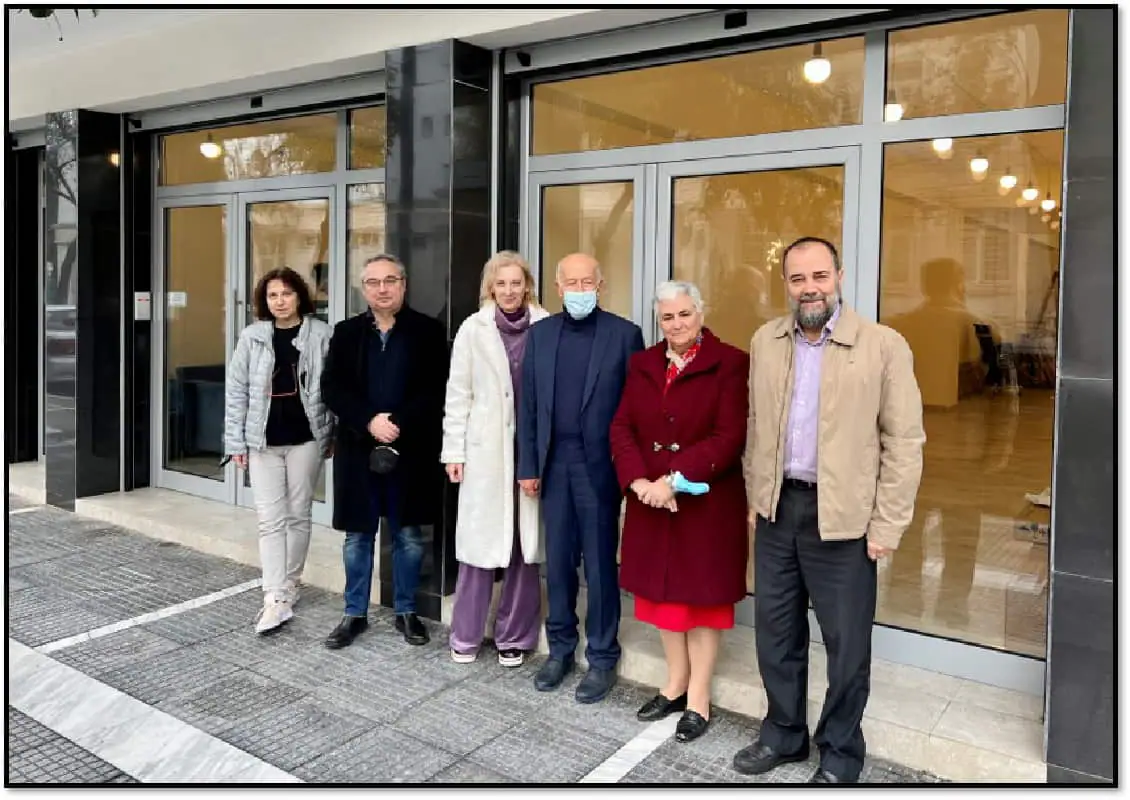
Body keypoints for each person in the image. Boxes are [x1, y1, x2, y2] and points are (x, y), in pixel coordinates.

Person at [732, 237, 925, 784]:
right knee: (776, 633)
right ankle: (783, 734)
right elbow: (756, 424)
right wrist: (757, 493)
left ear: (839, 276)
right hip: (778, 511)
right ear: (785, 285)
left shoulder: (883, 345)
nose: (809, 288)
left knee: (846, 645)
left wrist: (886, 524)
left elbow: (904, 442)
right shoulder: (767, 340)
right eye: (797, 279)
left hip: (844, 518)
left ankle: (840, 751)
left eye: (819, 276)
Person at [609, 280, 749, 743]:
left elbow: (728, 437)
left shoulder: (731, 363)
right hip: (651, 500)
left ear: (701, 314)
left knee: (702, 602)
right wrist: (639, 483)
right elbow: (622, 426)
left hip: (706, 505)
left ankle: (698, 698)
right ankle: (674, 684)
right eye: (667, 317)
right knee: (664, 599)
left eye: (685, 314)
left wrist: (672, 480)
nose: (677, 324)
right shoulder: (643, 363)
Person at [517, 252, 645, 704]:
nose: (578, 290)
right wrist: (528, 466)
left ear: (600, 285)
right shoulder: (540, 335)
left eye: (586, 281)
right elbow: (529, 406)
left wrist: (631, 470)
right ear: (557, 288)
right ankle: (561, 649)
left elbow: (636, 409)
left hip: (600, 467)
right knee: (558, 562)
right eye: (570, 283)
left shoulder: (625, 335)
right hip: (554, 464)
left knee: (600, 563)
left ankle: (603, 656)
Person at [320, 254, 449, 649]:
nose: (382, 289)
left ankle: (406, 611)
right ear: (363, 289)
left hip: (410, 450)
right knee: (358, 537)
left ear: (403, 285)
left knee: (409, 536)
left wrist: (397, 423)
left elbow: (436, 388)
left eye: (390, 280)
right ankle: (354, 613)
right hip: (358, 450)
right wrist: (368, 420)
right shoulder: (346, 333)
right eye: (373, 282)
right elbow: (332, 387)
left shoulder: (428, 331)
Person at [441, 251, 550, 667]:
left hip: (531, 449)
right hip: (486, 451)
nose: (509, 291)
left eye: (516, 283)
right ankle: (465, 635)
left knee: (524, 545)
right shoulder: (473, 329)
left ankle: (514, 637)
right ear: (490, 287)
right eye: (501, 283)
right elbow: (458, 394)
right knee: (478, 545)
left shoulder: (546, 325)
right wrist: (454, 451)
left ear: (527, 286)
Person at [223, 267, 335, 634]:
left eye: (286, 294)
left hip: (306, 439)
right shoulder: (252, 337)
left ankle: (290, 584)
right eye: (273, 295)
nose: (280, 301)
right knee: (269, 519)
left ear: (300, 296)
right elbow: (236, 391)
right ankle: (274, 595)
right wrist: (235, 442)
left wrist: (331, 433)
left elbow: (331, 387)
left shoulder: (321, 334)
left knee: (298, 515)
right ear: (265, 301)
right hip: (263, 442)